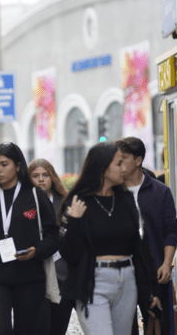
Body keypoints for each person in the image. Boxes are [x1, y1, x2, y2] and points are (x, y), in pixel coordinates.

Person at [58, 142, 161, 335]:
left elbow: (142, 248)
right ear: (103, 168)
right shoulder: (79, 202)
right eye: (118, 163)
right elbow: (69, 254)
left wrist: (152, 291)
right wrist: (75, 221)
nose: (124, 169)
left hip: (127, 281)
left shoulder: (126, 200)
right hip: (93, 281)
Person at [0, 142, 60, 335]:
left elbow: (53, 236)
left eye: (4, 164)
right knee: (0, 330)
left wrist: (37, 250)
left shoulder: (35, 196)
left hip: (30, 277)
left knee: (26, 331)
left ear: (18, 166)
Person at [115, 137, 177, 335]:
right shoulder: (110, 192)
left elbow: (170, 230)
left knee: (160, 327)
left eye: (123, 159)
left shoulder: (161, 192)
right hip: (119, 274)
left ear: (138, 160)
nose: (118, 164)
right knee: (124, 329)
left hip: (154, 272)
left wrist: (167, 263)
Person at [28, 158, 72, 335]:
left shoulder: (65, 203)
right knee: (39, 326)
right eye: (35, 175)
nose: (41, 179)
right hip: (35, 273)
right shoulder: (23, 204)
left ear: (52, 177)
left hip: (63, 273)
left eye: (45, 175)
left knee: (59, 326)